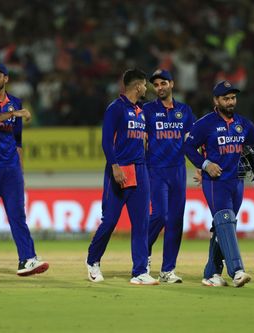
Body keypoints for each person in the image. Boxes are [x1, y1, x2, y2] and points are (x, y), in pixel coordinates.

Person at [184, 80, 254, 287]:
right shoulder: (205, 123)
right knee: (225, 220)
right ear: (216, 100)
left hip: (237, 182)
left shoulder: (243, 124)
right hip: (215, 182)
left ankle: (210, 273)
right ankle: (237, 271)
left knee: (223, 227)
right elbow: (188, 148)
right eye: (226, 98)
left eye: (233, 97)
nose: (230, 101)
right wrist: (205, 164)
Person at [0, 61, 49, 277]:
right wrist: (13, 114)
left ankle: (27, 259)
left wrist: (20, 171)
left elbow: (18, 140)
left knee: (17, 215)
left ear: (6, 78)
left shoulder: (15, 101)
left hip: (11, 168)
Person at [86, 69, 158, 285]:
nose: (147, 89)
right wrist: (114, 166)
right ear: (137, 86)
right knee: (109, 221)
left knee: (141, 224)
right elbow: (107, 141)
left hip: (140, 169)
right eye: (145, 85)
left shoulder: (141, 110)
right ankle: (92, 261)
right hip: (120, 171)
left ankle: (139, 272)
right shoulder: (115, 109)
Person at [143, 69, 196, 283]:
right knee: (160, 215)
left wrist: (200, 166)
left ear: (172, 84)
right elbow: (140, 139)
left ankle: (167, 270)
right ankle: (142, 253)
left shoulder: (184, 110)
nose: (159, 88)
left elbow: (192, 142)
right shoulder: (147, 110)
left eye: (163, 83)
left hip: (178, 170)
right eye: (155, 85)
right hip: (155, 169)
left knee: (175, 220)